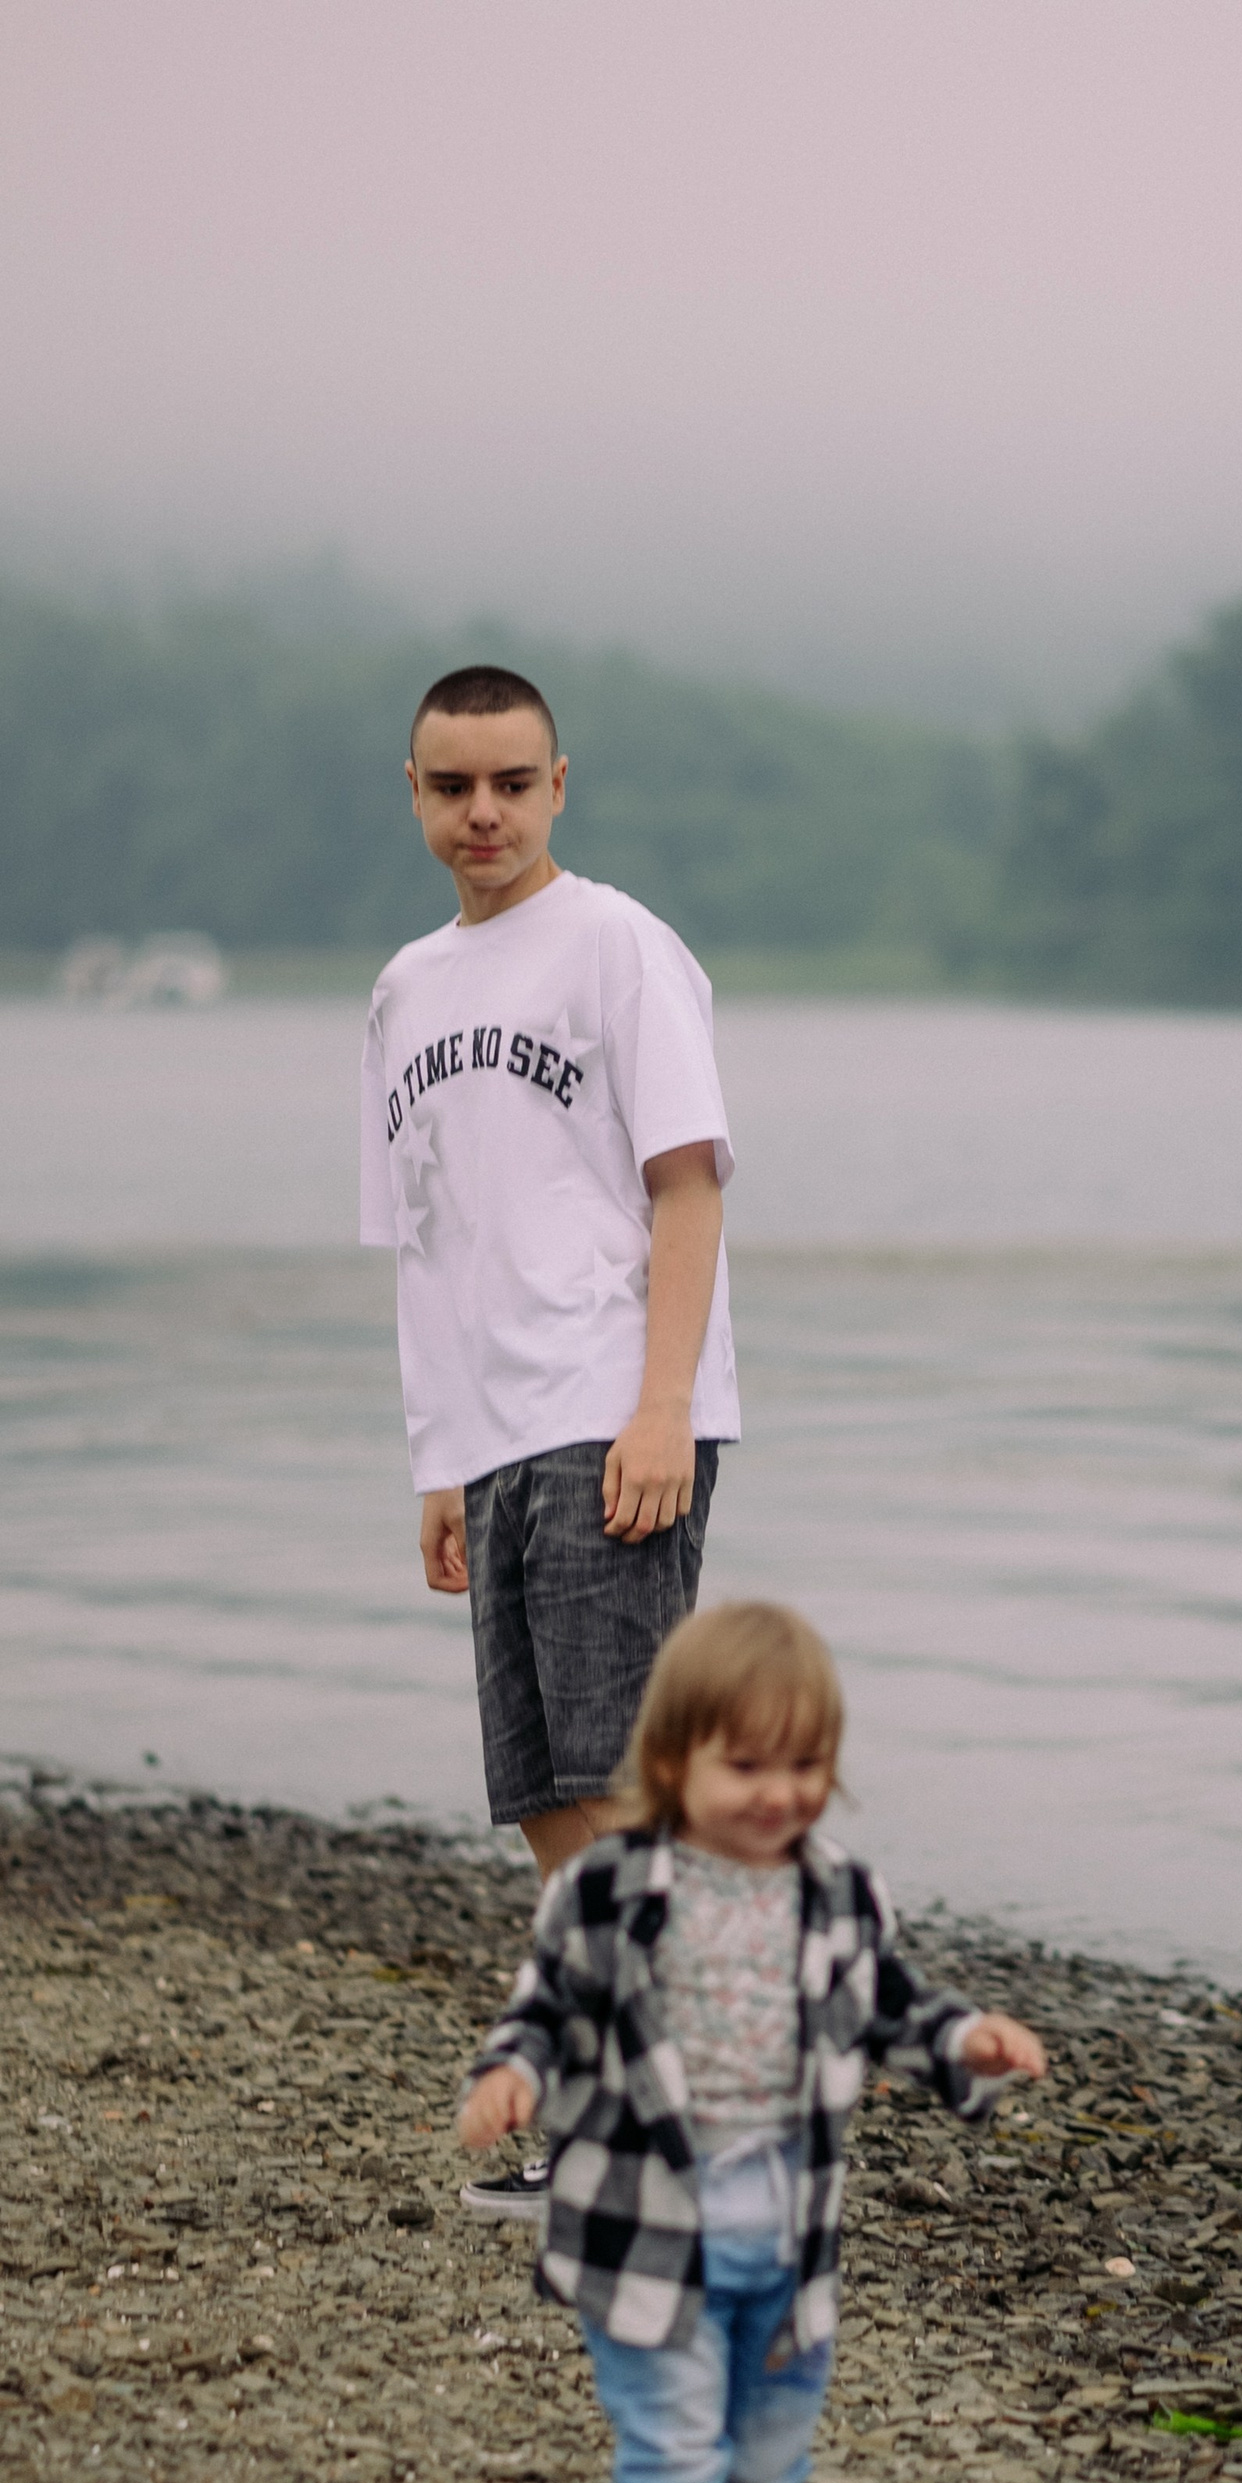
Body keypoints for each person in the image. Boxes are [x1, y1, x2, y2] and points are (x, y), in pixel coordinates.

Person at [457, 1601, 1049, 2483]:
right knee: (675, 2419)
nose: (780, 1790)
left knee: (773, 2424)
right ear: (674, 1760)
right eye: (747, 1764)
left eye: (807, 1762)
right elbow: (548, 2007)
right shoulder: (611, 1887)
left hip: (786, 2219)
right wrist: (513, 2077)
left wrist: (969, 2038)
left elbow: (890, 2003)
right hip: (648, 2218)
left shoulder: (834, 1891)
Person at [360, 662, 742, 2220]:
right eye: (453, 787)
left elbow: (690, 1187)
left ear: (561, 783)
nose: (484, 814)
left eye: (511, 783)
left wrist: (660, 1410)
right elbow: (429, 1246)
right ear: (414, 795)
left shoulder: (619, 947)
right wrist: (436, 1462)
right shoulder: (403, 990)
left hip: (613, 1412)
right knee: (543, 1796)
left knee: (621, 1787)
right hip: (498, 1435)